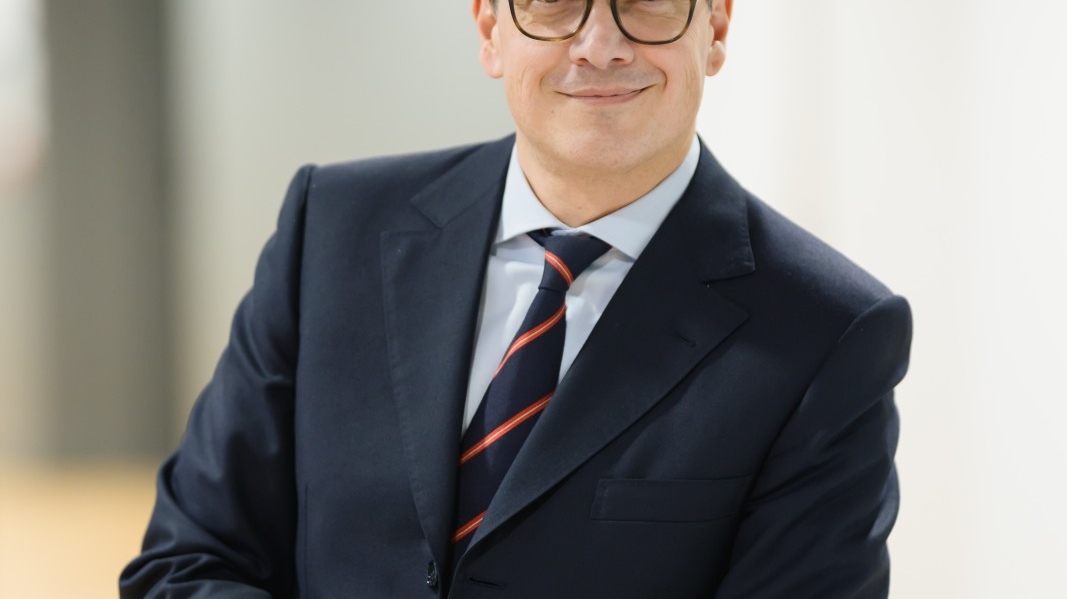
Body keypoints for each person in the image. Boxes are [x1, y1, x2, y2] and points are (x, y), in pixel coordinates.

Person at [121, 0, 912, 597]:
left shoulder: (826, 332)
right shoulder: (332, 229)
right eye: (552, 3)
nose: (598, 45)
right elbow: (188, 560)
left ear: (715, 28)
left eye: (646, 2)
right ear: (489, 29)